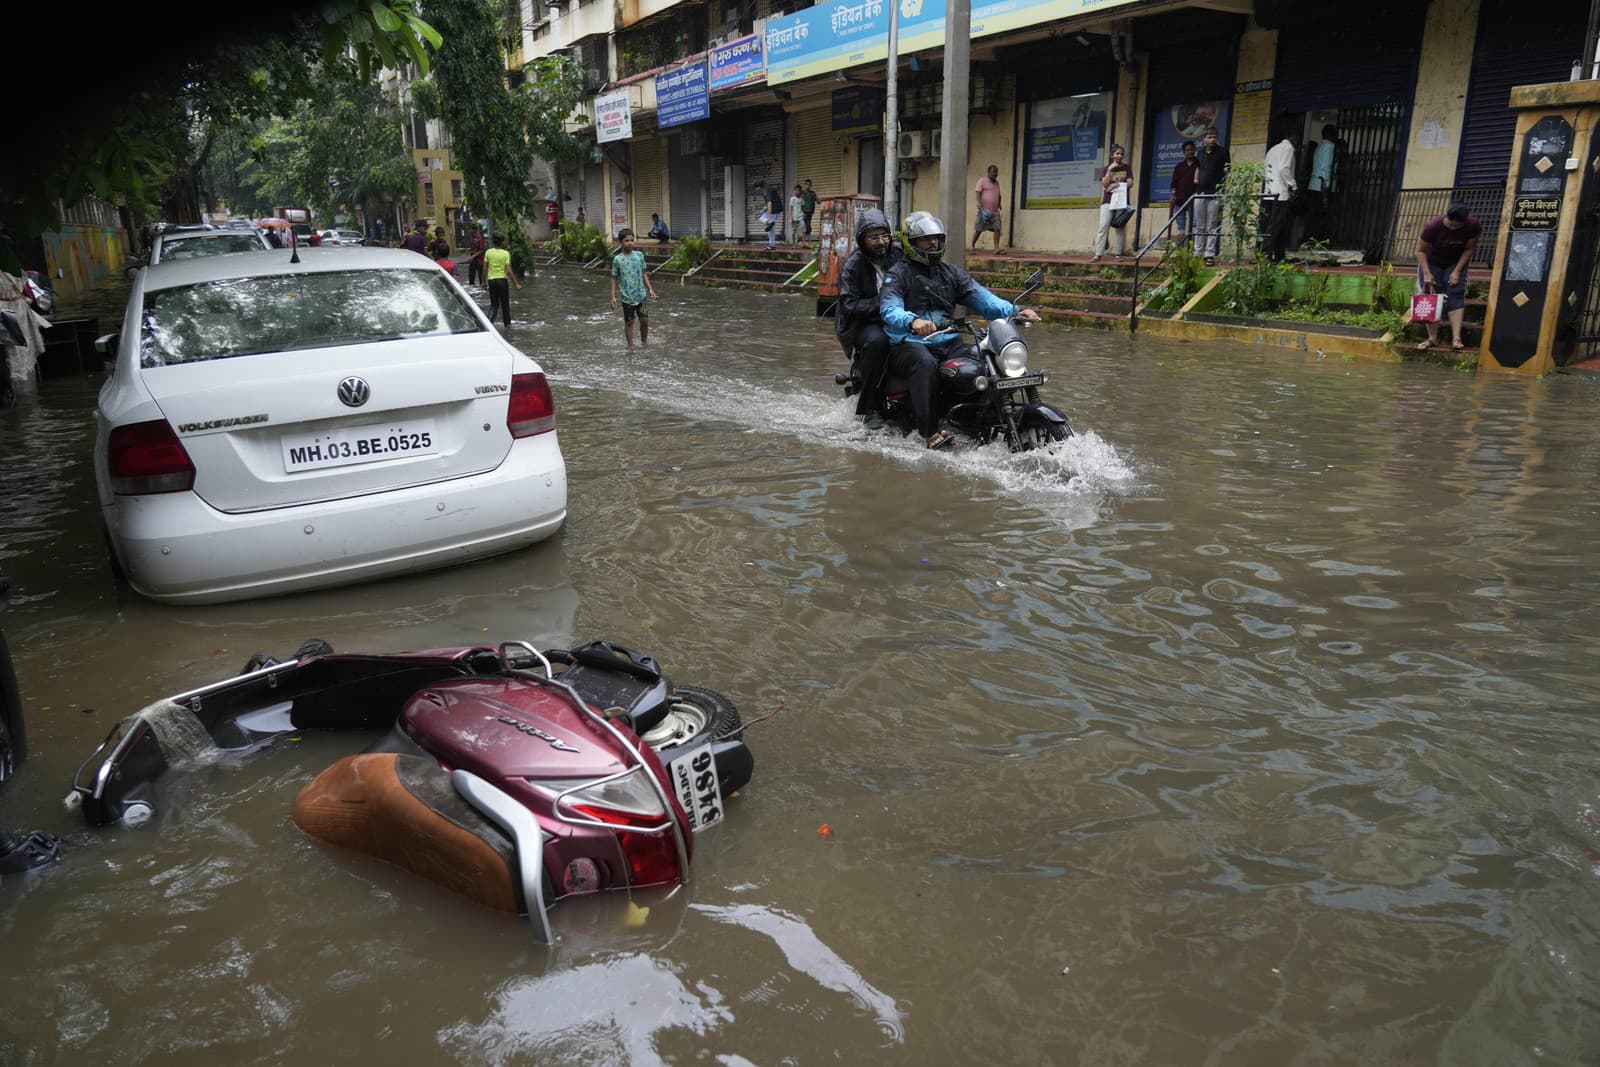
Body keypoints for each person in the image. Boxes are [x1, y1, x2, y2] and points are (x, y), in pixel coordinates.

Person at [879, 212, 1040, 449]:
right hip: (909, 343)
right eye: (926, 240)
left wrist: (1016, 310)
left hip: (947, 340)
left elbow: (983, 299)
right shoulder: (898, 274)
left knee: (982, 357)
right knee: (924, 363)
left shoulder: (950, 273)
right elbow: (889, 309)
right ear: (911, 243)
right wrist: (913, 321)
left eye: (936, 238)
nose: (933, 244)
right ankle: (929, 431)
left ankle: (982, 420)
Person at [834, 208, 903, 429]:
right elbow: (850, 305)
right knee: (878, 342)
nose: (881, 242)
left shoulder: (899, 255)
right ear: (862, 240)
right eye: (874, 237)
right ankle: (867, 410)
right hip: (864, 323)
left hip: (899, 315)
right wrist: (883, 303)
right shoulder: (852, 266)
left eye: (885, 236)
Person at [1414, 202, 1481, 352]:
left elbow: (1469, 248)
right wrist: (1426, 272)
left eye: (1456, 226)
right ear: (1446, 217)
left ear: (1464, 222)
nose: (1452, 228)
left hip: (1455, 262)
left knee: (1455, 293)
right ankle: (1432, 338)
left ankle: (1456, 338)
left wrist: (1457, 271)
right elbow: (1419, 251)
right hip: (1431, 262)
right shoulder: (1433, 226)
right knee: (1430, 296)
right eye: (1450, 224)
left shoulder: (1473, 226)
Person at [610, 228, 659, 347]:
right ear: (621, 242)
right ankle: (630, 346)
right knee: (630, 322)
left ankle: (644, 342)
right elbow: (614, 278)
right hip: (627, 296)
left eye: (632, 240)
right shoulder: (617, 259)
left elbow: (643, 273)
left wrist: (650, 289)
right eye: (627, 241)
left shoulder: (639, 255)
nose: (630, 243)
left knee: (645, 320)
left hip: (641, 294)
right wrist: (613, 296)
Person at [1193, 126, 1230, 266]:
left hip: (1215, 193)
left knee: (1212, 225)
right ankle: (1197, 253)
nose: (1212, 139)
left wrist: (1224, 191)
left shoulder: (1223, 152)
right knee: (1199, 225)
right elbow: (1198, 168)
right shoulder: (1200, 152)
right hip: (1200, 192)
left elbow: (1228, 172)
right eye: (1209, 137)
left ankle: (1209, 255)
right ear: (1204, 139)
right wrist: (1196, 181)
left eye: (1214, 137)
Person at [1264, 123, 1299, 262]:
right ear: (1294, 137)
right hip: (1281, 194)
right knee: (1276, 226)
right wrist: (1293, 186)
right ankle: (1266, 255)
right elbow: (1284, 169)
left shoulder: (1273, 149)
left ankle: (1279, 255)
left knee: (1276, 225)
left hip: (1269, 193)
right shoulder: (1288, 148)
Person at [1093, 144, 1133, 262]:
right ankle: (1098, 254)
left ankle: (1117, 254)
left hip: (1122, 201)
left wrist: (1115, 185)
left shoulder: (1127, 168)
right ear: (1112, 155)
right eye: (1117, 153)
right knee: (1103, 226)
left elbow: (1130, 183)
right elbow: (1105, 184)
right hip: (1108, 201)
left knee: (1120, 227)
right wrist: (1110, 170)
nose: (1119, 156)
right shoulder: (1106, 168)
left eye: (1121, 154)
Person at [1307, 124, 1339, 244]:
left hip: (1314, 185)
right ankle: (1319, 241)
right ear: (1331, 134)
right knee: (1323, 216)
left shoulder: (1319, 147)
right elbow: (1326, 169)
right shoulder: (1330, 147)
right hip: (1323, 186)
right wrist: (1325, 192)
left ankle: (1310, 241)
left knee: (1313, 216)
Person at [483, 232, 521, 329]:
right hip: (502, 281)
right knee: (505, 305)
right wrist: (516, 283)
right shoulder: (505, 254)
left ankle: (488, 325)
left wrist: (484, 282)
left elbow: (484, 268)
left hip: (492, 281)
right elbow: (509, 271)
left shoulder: (488, 252)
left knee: (494, 305)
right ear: (502, 242)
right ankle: (507, 326)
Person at [1168, 141, 1199, 248]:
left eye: (1191, 149)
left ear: (1194, 150)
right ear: (1184, 152)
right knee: (1180, 226)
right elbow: (1174, 183)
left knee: (1195, 225)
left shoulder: (1199, 165)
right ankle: (1181, 251)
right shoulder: (1179, 166)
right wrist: (1172, 194)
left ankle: (1194, 251)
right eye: (1187, 150)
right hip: (1180, 200)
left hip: (1194, 200)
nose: (1190, 152)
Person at [972, 164, 1003, 252]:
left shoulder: (997, 183)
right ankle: (972, 245)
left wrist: (1000, 204)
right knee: (979, 229)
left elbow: (999, 195)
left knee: (997, 228)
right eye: (993, 171)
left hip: (995, 211)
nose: (995, 173)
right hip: (984, 211)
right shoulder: (982, 181)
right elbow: (978, 192)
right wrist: (979, 203)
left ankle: (996, 248)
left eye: (996, 172)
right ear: (988, 172)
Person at [757, 181, 784, 249]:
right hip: (777, 208)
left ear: (759, 187)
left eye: (755, 188)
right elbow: (768, 203)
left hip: (774, 209)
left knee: (761, 219)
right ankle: (772, 245)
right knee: (771, 228)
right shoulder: (767, 190)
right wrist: (764, 210)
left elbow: (769, 204)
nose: (755, 190)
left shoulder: (767, 191)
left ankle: (769, 222)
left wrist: (768, 218)